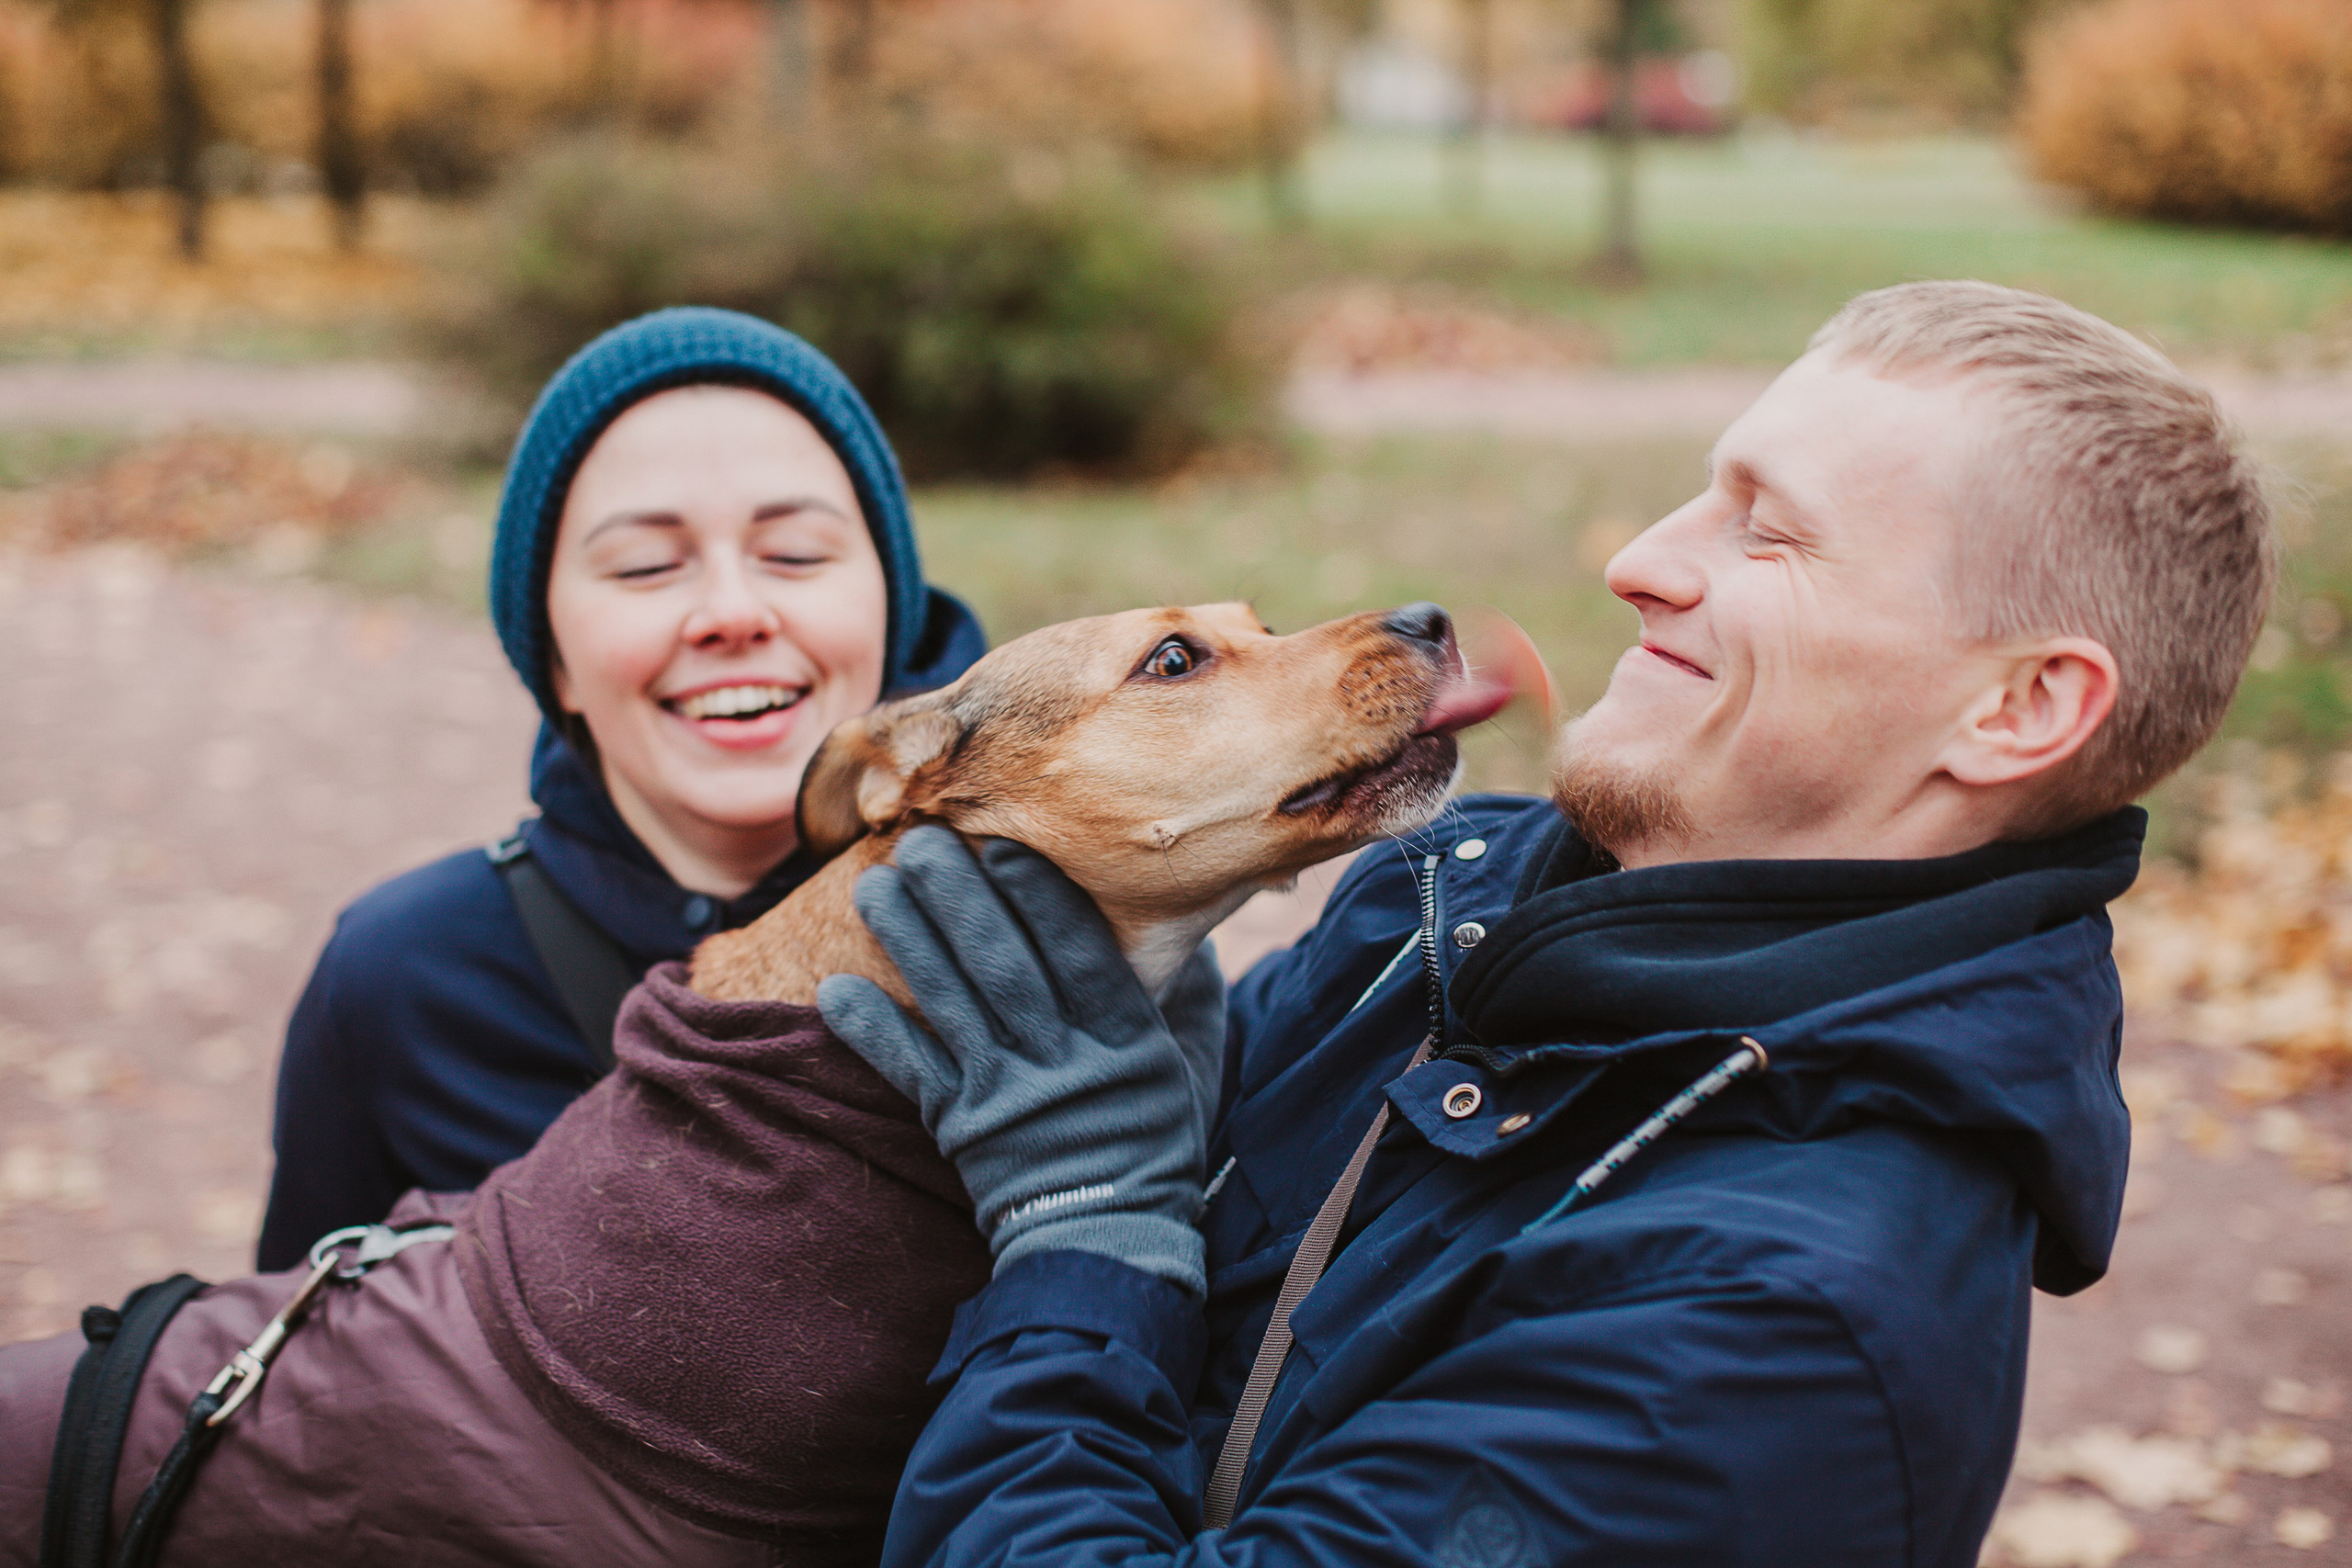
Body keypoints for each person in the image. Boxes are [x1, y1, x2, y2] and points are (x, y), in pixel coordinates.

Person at [819, 281, 2275, 1566]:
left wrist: (1089, 1232)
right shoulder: (1450, 890)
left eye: (1771, 536)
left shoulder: (1769, 1340)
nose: (1639, 557)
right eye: (1706, 491)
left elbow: (1095, 1205)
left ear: (2019, 708)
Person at [256, 307, 985, 1269]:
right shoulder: (402, 980)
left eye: (796, 554)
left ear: (889, 609)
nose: (731, 611)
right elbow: (298, 1386)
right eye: (646, 565)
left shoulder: (1034, 933)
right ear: (553, 659)